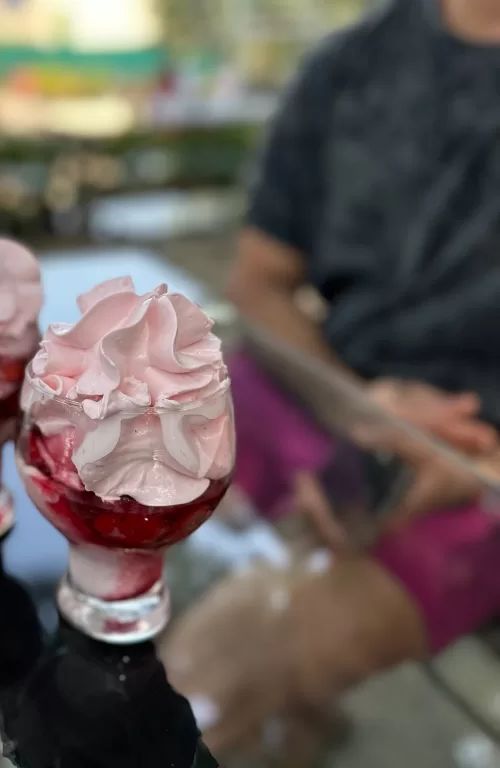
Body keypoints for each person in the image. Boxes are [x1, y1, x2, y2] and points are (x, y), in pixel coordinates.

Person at [162, 0, 500, 761]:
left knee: (203, 678)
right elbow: (260, 283)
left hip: (473, 472)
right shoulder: (349, 67)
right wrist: (358, 413)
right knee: (105, 584)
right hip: (325, 399)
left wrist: (478, 459)